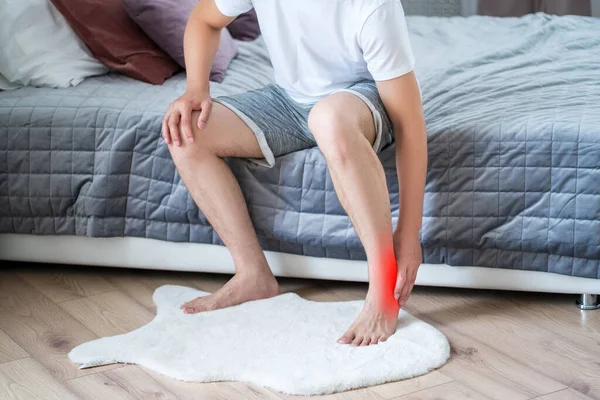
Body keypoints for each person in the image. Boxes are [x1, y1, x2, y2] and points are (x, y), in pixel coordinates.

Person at [162, 0, 427, 346]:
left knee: (326, 118)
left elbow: (409, 125)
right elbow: (203, 20)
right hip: (289, 102)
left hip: (358, 103)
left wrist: (409, 232)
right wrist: (197, 89)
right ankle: (252, 273)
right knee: (185, 132)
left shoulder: (373, 6)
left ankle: (382, 289)